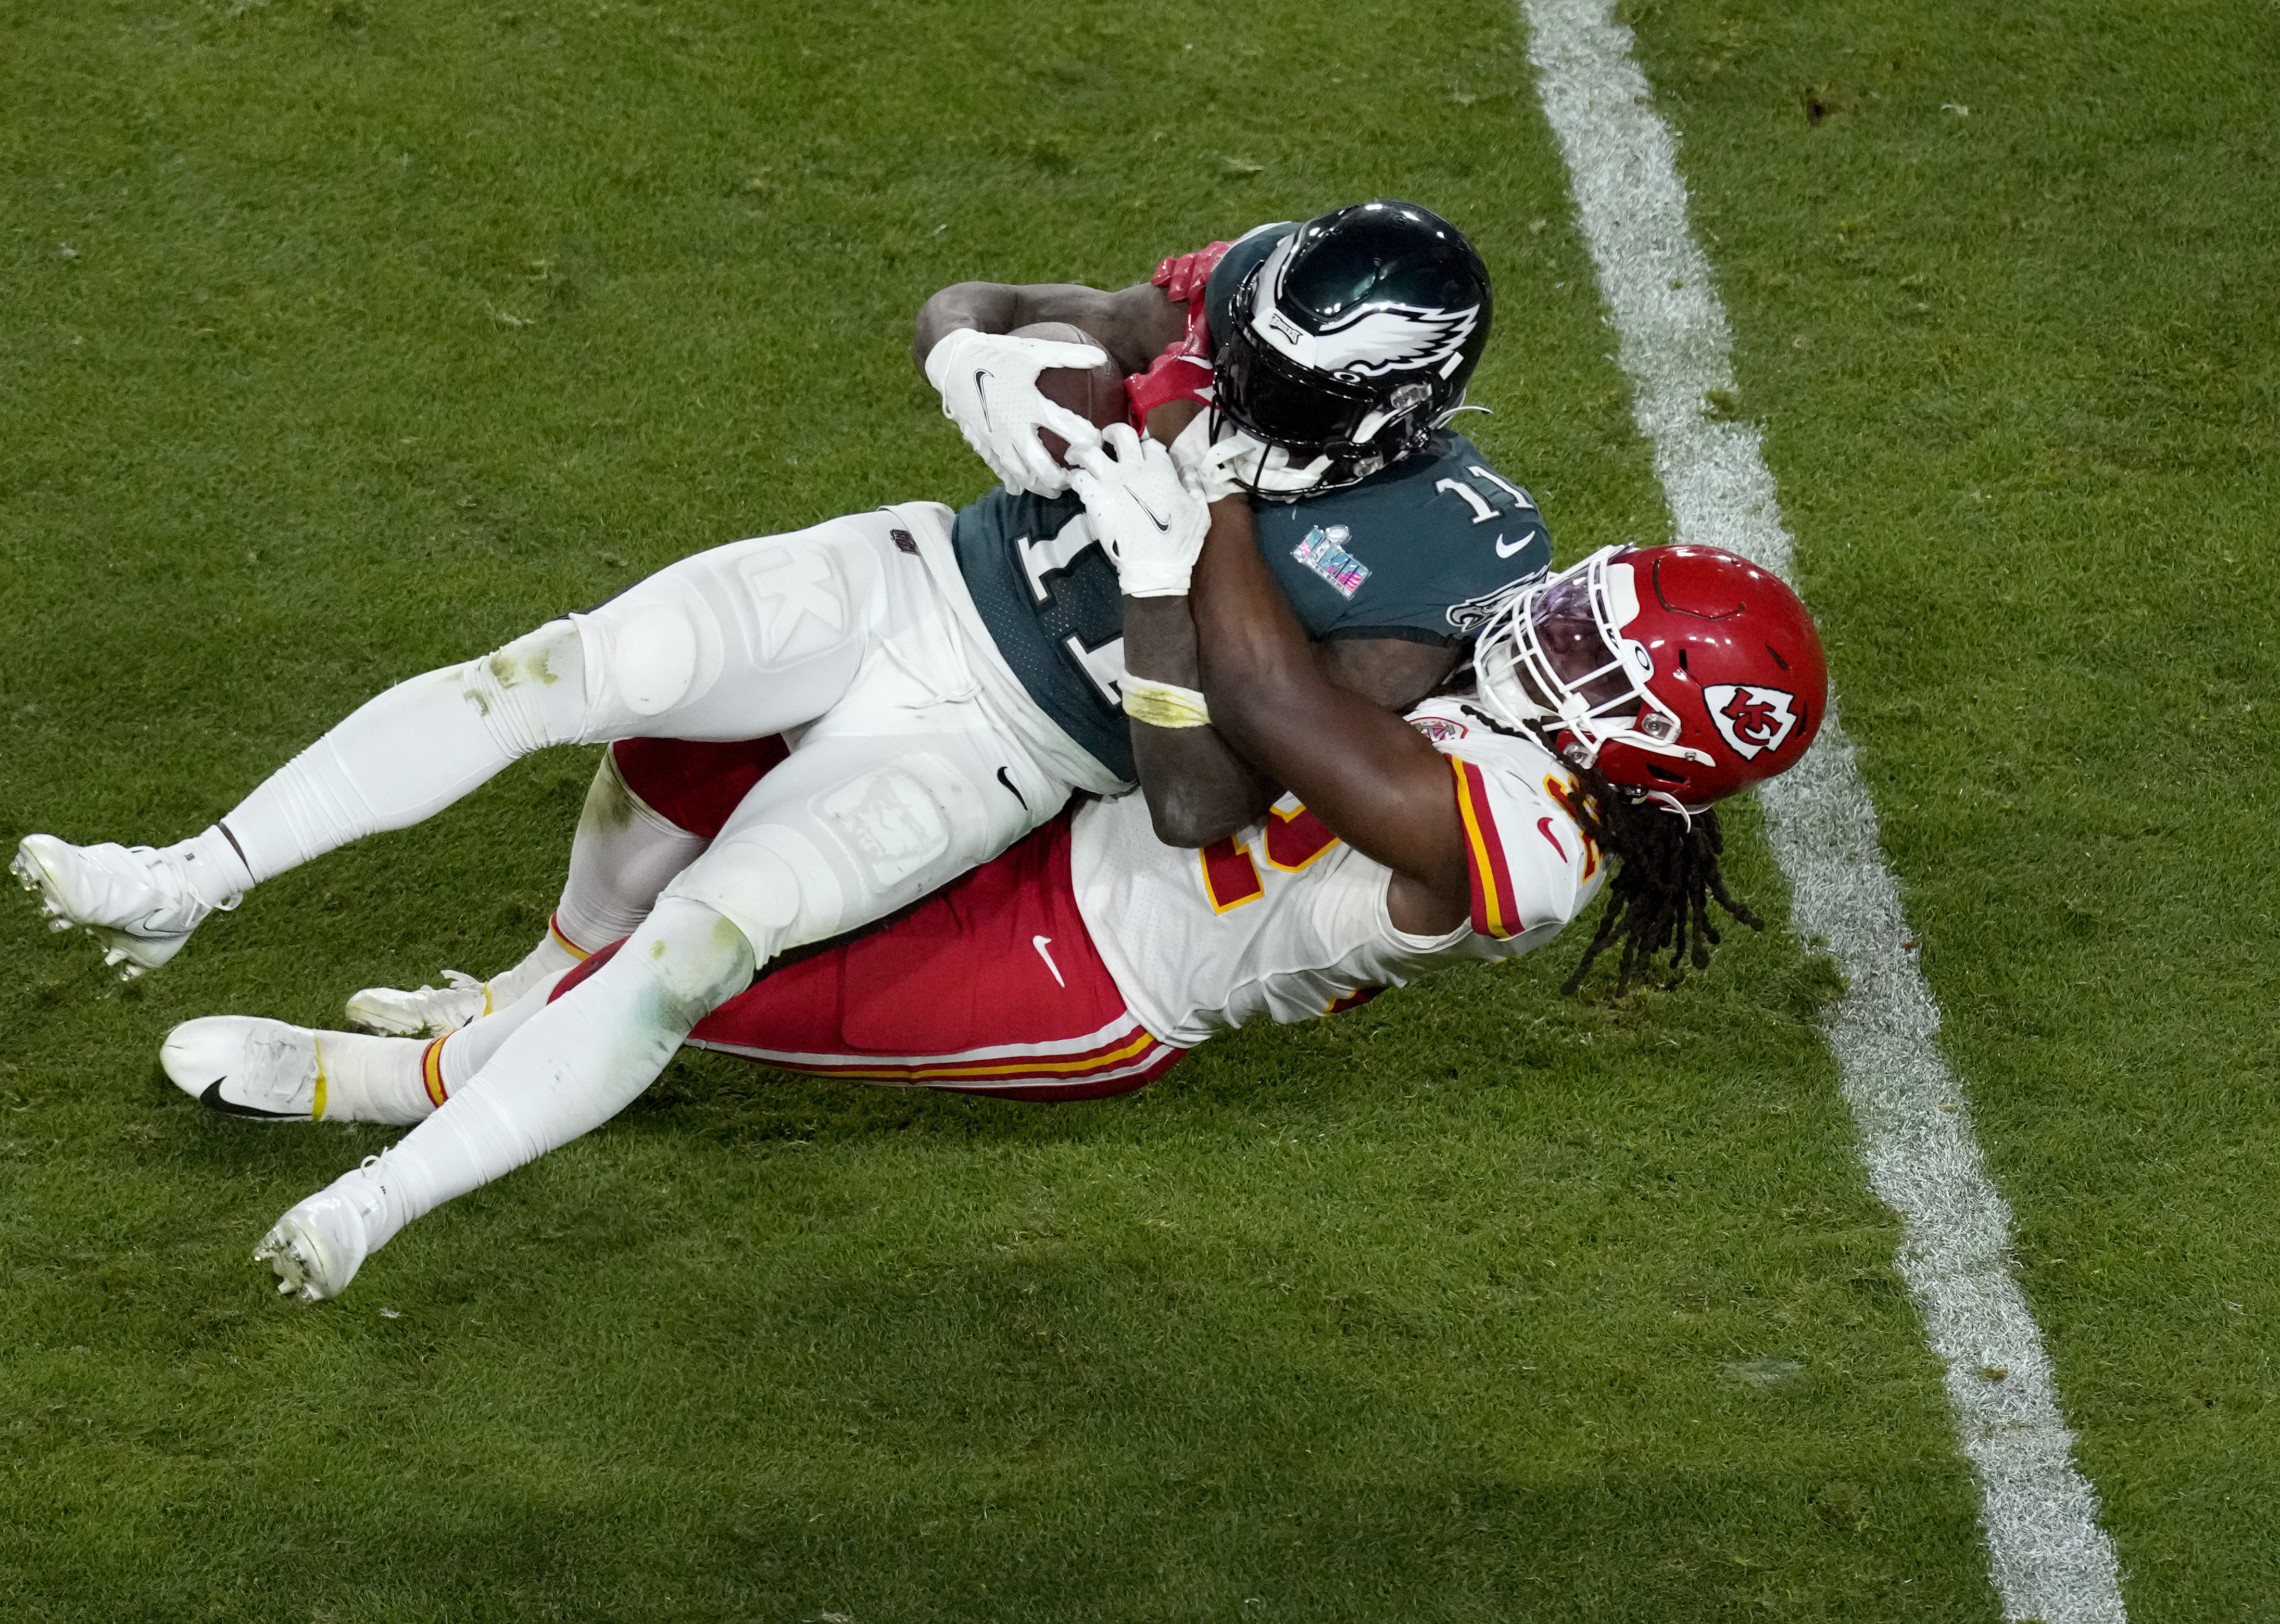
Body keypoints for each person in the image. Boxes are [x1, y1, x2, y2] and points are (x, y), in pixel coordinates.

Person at [178, 432, 1820, 1299]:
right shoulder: (1526, 730)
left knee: (686, 970)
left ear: (1651, 749)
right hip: (1070, 805)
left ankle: (396, 1094)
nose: (1545, 629)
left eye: (1595, 653)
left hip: (1081, 972)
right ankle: (509, 999)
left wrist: (1217, 502)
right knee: (696, 739)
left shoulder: (1533, 855)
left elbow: (1254, 712)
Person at [341, 200, 1557, 1042]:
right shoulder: (1244, 300)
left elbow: (1202, 794)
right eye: (1248, 355)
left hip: (1045, 774)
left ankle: (465, 1068)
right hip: (938, 584)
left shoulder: (1439, 548)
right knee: (664, 736)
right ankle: (525, 990)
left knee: (732, 959)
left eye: (1286, 386)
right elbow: (1008, 298)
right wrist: (969, 353)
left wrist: (1180, 547)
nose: (1243, 383)